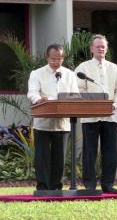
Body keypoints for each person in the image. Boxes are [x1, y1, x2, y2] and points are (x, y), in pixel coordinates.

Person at [75, 34, 117, 193]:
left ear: (106, 48)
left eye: (103, 46)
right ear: (91, 49)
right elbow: (78, 89)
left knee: (110, 151)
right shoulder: (83, 67)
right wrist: (91, 103)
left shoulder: (114, 67)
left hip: (110, 115)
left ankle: (108, 184)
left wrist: (115, 104)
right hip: (90, 116)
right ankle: (89, 184)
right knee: (89, 151)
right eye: (97, 46)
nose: (100, 49)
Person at [27, 44, 79, 191]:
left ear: (63, 58)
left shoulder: (69, 74)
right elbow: (32, 93)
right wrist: (39, 99)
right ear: (47, 57)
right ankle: (42, 187)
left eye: (59, 58)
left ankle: (56, 187)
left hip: (62, 123)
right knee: (42, 157)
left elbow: (75, 95)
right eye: (53, 59)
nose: (56, 62)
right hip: (42, 122)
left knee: (59, 158)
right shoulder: (37, 73)